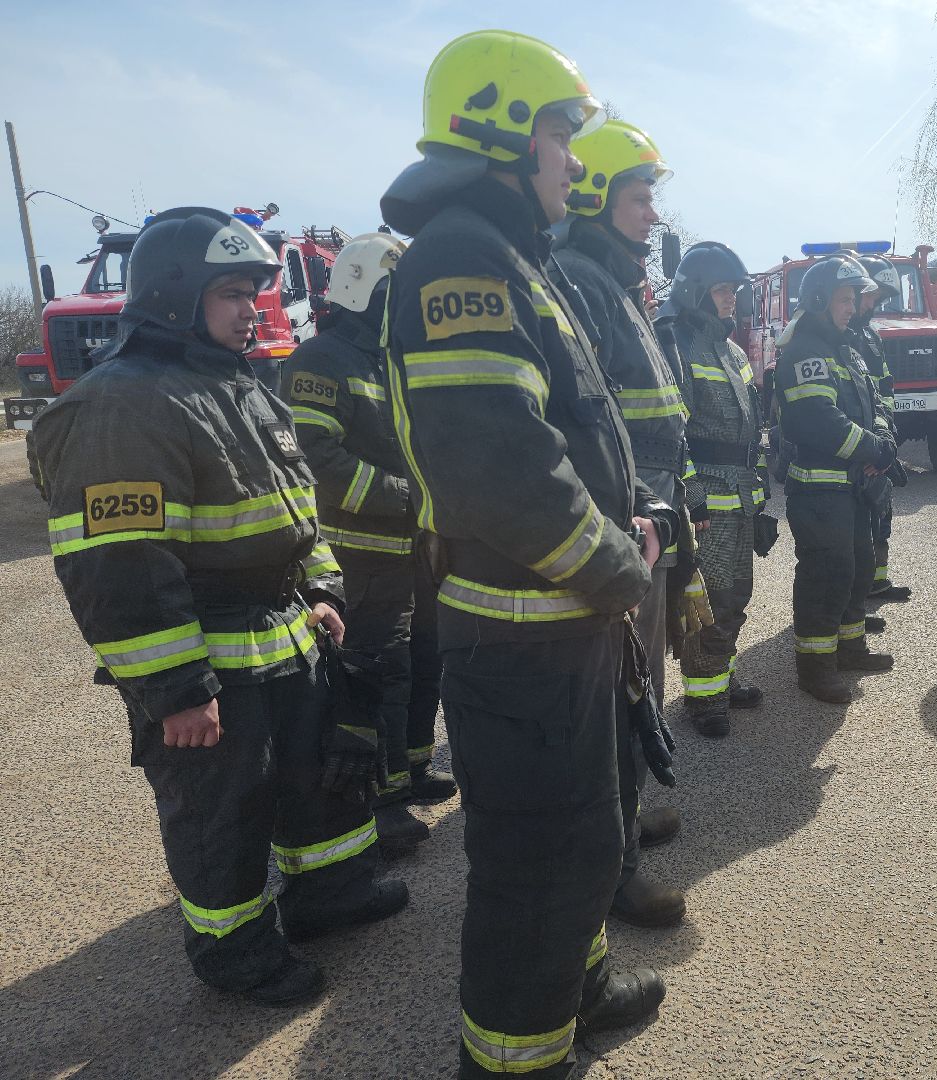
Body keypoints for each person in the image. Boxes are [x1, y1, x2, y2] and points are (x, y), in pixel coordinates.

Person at [379, 31, 675, 1079]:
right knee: (536, 860)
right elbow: (499, 466)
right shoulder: (466, 257)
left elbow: (573, 430)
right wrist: (618, 563)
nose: (576, 160)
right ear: (504, 130)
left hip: (561, 627)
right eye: (561, 134)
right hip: (524, 634)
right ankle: (514, 1057)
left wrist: (628, 509)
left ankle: (577, 987)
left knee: (583, 836)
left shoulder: (514, 258)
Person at [33, 206, 407, 1008]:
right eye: (232, 294)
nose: (251, 310)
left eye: (254, 293)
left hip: (283, 636)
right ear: (174, 296)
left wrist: (321, 586)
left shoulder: (240, 384)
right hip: (207, 661)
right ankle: (234, 951)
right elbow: (119, 566)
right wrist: (175, 688)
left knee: (313, 785)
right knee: (222, 815)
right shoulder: (120, 408)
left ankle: (329, 893)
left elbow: (298, 504)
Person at [284, 232, 455, 859]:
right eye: (395, 293)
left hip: (415, 547)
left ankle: (411, 768)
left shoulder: (395, 360)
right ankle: (378, 798)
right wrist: (403, 495)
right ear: (363, 289)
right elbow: (316, 455)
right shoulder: (320, 360)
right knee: (377, 668)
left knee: (426, 656)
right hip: (363, 549)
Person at [554, 119, 686, 930]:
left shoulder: (615, 281)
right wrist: (627, 522)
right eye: (640, 198)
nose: (652, 214)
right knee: (616, 699)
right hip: (620, 530)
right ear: (601, 197)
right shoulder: (580, 279)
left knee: (640, 693)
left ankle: (627, 820)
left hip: (647, 520)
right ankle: (615, 870)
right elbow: (583, 427)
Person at [773, 254, 897, 703]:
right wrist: (872, 449)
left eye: (854, 298)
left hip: (853, 488)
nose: (853, 306)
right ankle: (815, 667)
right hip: (820, 489)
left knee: (859, 567)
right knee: (828, 573)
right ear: (822, 299)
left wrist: (884, 443)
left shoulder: (847, 347)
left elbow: (877, 405)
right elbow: (817, 421)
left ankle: (850, 647)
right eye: (846, 298)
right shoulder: (806, 350)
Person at [658, 241, 769, 734]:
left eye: (733, 291)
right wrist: (691, 494)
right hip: (707, 499)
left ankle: (722, 679)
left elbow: (753, 429)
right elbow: (671, 431)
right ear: (697, 293)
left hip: (740, 496)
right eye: (723, 290)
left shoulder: (731, 351)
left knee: (736, 593)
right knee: (711, 599)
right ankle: (703, 700)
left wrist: (761, 495)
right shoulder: (676, 347)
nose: (732, 299)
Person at [848, 254, 912, 603]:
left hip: (878, 443)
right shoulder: (838, 337)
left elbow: (884, 391)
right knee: (856, 524)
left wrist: (887, 441)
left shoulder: (871, 337)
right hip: (855, 448)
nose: (876, 305)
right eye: (873, 297)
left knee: (881, 512)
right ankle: (856, 593)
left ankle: (877, 582)